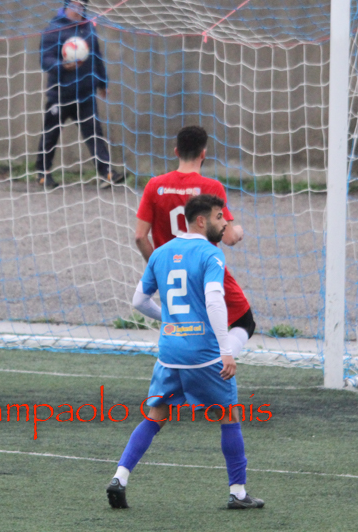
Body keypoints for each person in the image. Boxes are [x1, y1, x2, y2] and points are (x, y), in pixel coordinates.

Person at [107, 194, 264, 510]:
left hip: (169, 353)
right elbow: (215, 300)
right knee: (229, 415)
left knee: (156, 416)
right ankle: (238, 493)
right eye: (219, 217)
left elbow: (139, 301)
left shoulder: (161, 252)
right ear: (202, 221)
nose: (225, 223)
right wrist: (226, 351)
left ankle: (119, 478)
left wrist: (168, 319)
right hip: (203, 354)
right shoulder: (211, 253)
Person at [134, 125, 254, 358]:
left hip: (173, 274)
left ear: (176, 152)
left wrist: (160, 268)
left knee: (185, 326)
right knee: (244, 322)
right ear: (203, 153)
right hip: (206, 269)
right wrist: (239, 231)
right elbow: (228, 238)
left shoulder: (154, 185)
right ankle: (218, 362)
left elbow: (140, 236)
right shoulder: (211, 187)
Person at [35, 0, 124, 190]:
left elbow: (96, 57)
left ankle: (107, 173)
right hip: (60, 94)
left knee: (94, 134)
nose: (77, 11)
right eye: (74, 6)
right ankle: (43, 173)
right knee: (51, 135)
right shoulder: (54, 29)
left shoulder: (88, 29)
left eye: (81, 7)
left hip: (85, 95)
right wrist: (62, 65)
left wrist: (102, 83)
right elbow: (45, 59)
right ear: (65, 7)